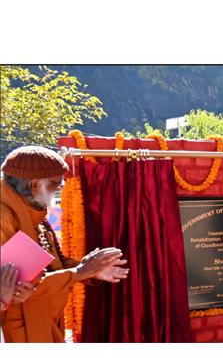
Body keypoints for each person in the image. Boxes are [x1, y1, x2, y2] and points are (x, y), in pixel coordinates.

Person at [0, 146, 129, 343]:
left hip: (44, 320)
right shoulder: (5, 217)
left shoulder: (33, 210)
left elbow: (49, 264)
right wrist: (80, 272)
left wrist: (87, 269)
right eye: (55, 185)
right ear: (35, 185)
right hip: (18, 329)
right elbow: (23, 288)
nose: (59, 189)